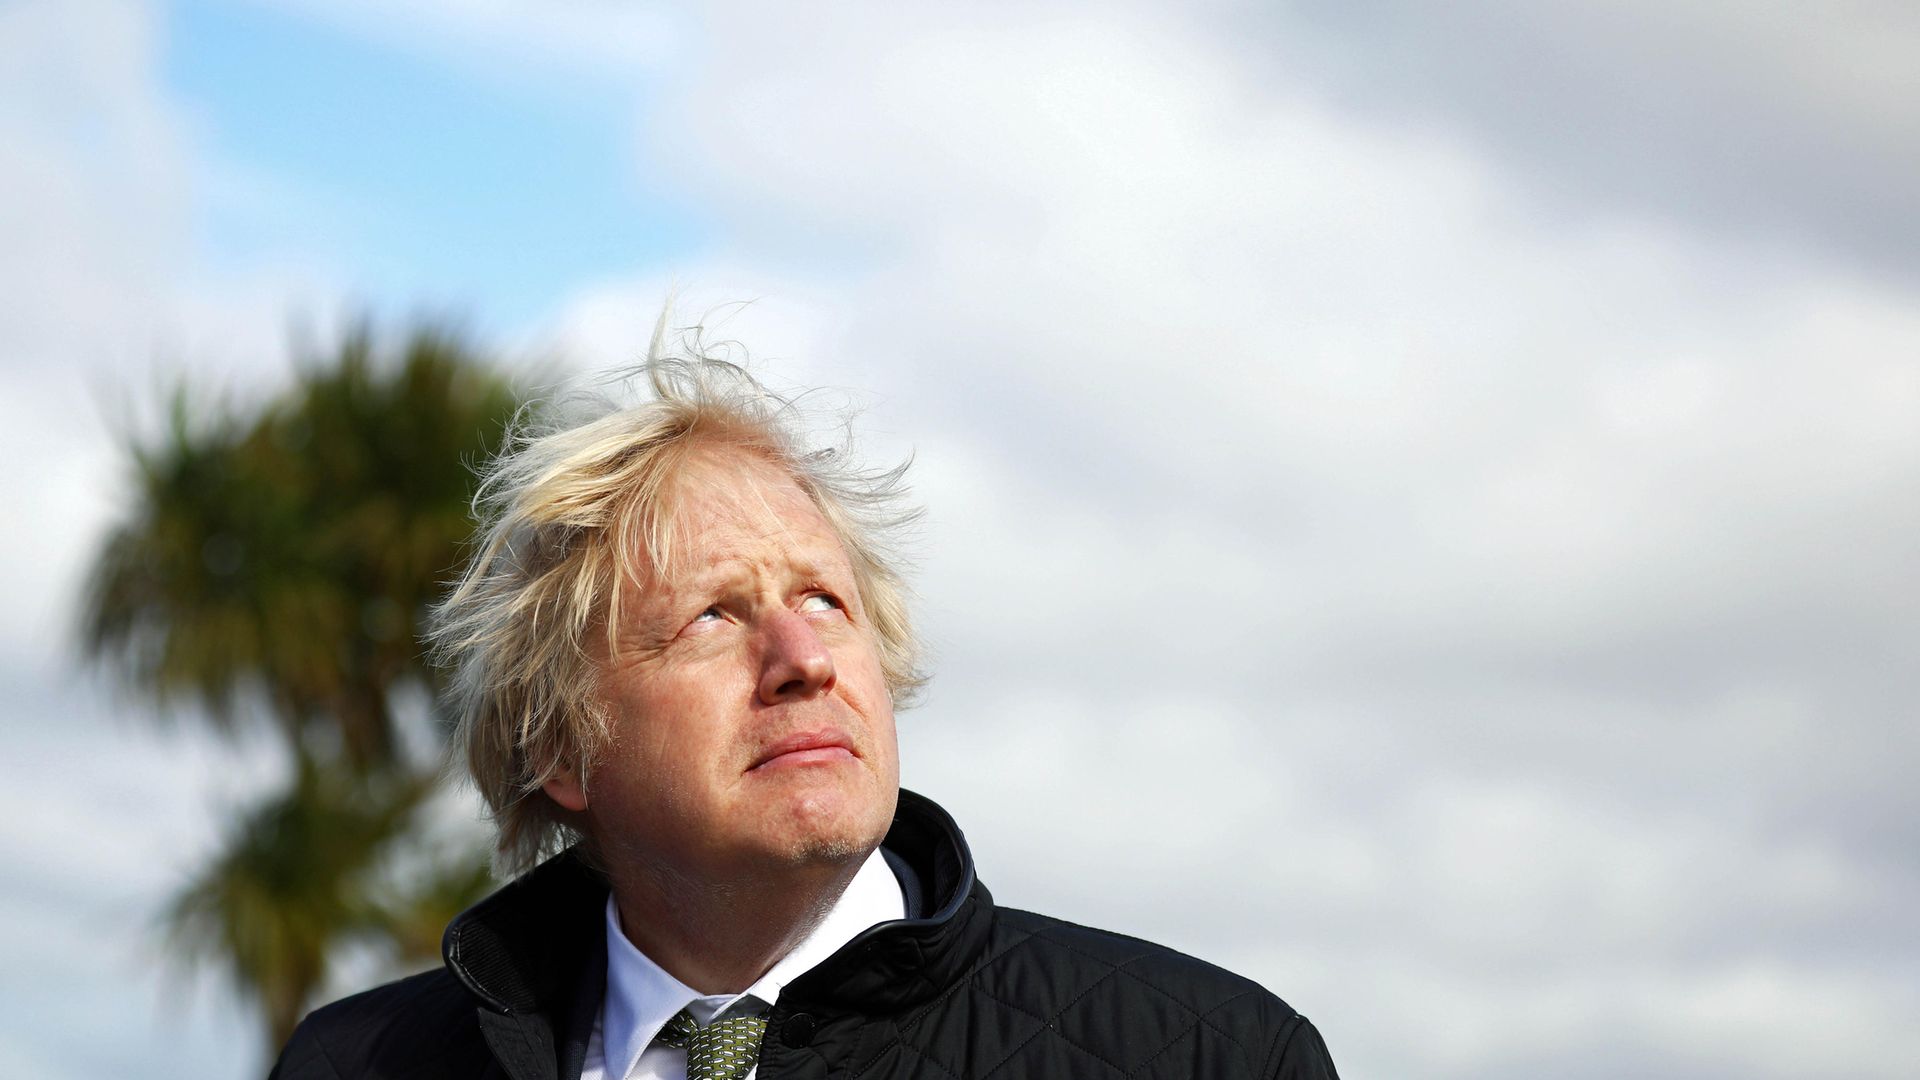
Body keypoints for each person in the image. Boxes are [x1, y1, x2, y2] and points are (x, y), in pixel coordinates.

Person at [270, 348, 1340, 1080]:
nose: (801, 659)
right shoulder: (354, 1065)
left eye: (826, 600)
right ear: (562, 749)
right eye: (710, 618)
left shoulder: (1208, 1056)